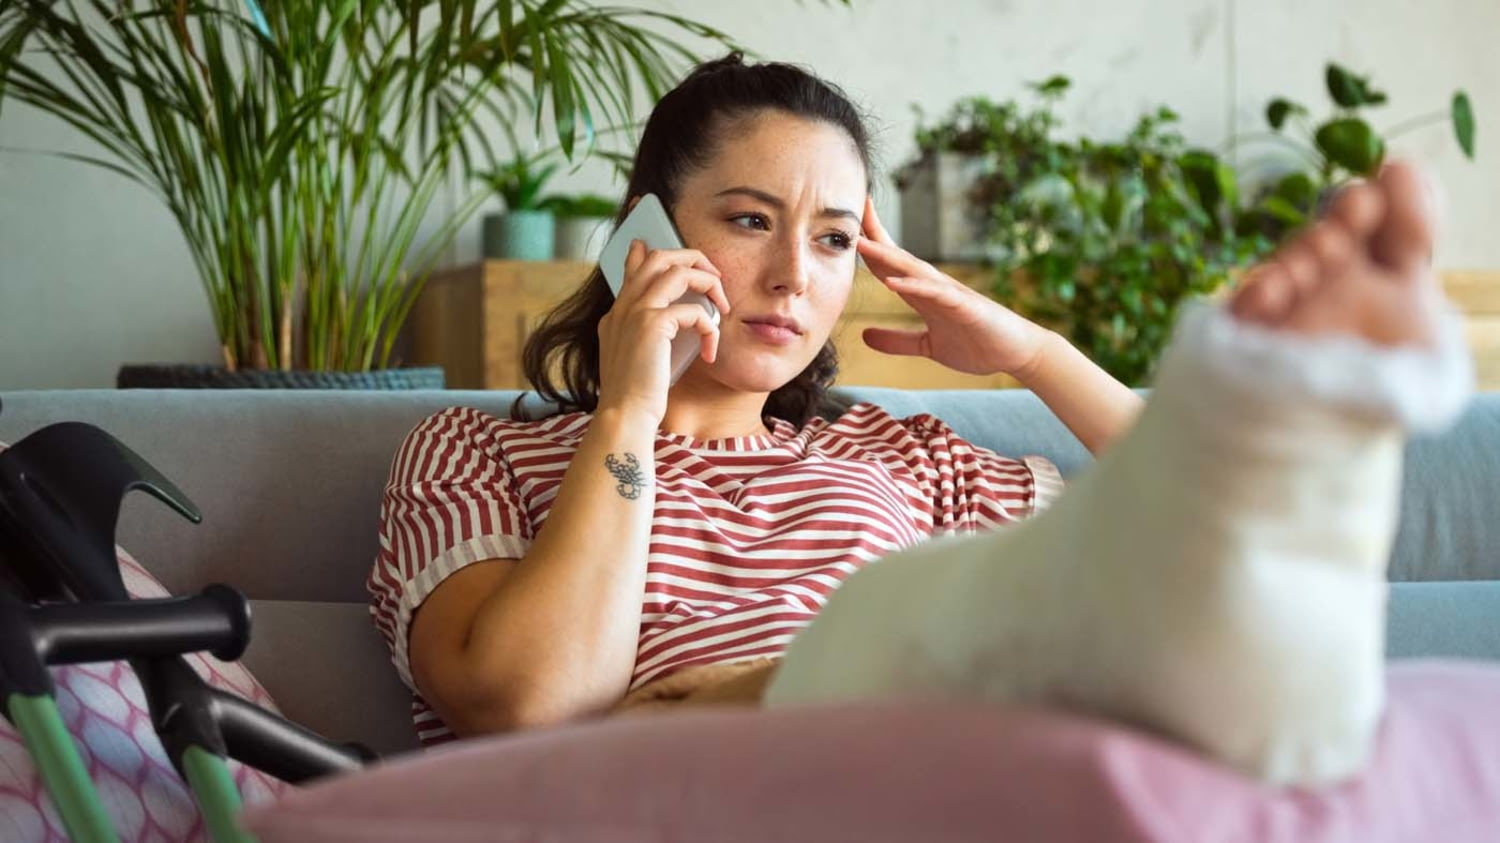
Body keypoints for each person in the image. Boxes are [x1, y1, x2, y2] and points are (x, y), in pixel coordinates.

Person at [367, 53, 1472, 787]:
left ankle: (1298, 441)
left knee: (1187, 576)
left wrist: (1034, 355)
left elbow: (1198, 534)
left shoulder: (899, 455)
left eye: (837, 239)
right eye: (751, 219)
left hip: (938, 781)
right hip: (685, 792)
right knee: (947, 642)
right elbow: (525, 706)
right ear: (644, 235)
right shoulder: (478, 450)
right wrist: (629, 411)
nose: (795, 274)